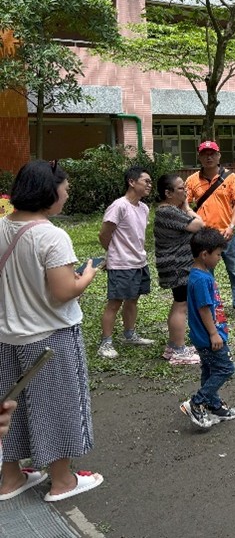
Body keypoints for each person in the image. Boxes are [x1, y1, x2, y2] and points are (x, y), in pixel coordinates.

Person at [0, 160, 105, 502]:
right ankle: (62, 482)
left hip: (6, 334)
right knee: (56, 405)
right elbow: (63, 292)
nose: (67, 194)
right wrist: (87, 273)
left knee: (8, 406)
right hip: (49, 338)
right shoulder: (51, 236)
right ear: (49, 192)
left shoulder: (1, 227)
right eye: (65, 189)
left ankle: (11, 477)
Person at [186, 140, 235, 321]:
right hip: (203, 236)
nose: (208, 157)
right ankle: (210, 306)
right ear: (199, 157)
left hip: (227, 233)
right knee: (205, 273)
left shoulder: (231, 178)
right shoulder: (192, 180)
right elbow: (185, 205)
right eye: (204, 154)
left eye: (212, 154)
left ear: (219, 156)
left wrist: (232, 226)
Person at [180, 227, 235, 429]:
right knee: (226, 368)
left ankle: (215, 406)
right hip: (208, 337)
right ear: (204, 254)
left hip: (204, 337)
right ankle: (196, 402)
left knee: (209, 370)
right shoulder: (201, 279)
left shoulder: (201, 275)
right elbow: (204, 309)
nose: (219, 258)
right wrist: (214, 334)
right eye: (217, 255)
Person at [97, 166, 154, 359]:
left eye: (150, 182)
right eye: (146, 181)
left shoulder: (144, 208)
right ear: (132, 182)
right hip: (121, 264)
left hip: (139, 262)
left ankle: (129, 334)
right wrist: (113, 254)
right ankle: (105, 343)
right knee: (114, 303)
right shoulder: (119, 206)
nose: (150, 185)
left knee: (133, 299)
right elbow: (104, 234)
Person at [154, 173, 203, 366]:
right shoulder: (168, 211)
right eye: (181, 188)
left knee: (179, 304)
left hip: (177, 264)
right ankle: (179, 351)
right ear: (168, 193)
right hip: (177, 265)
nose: (186, 191)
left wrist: (185, 207)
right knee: (181, 305)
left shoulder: (172, 210)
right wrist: (189, 208)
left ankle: (174, 346)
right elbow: (199, 224)